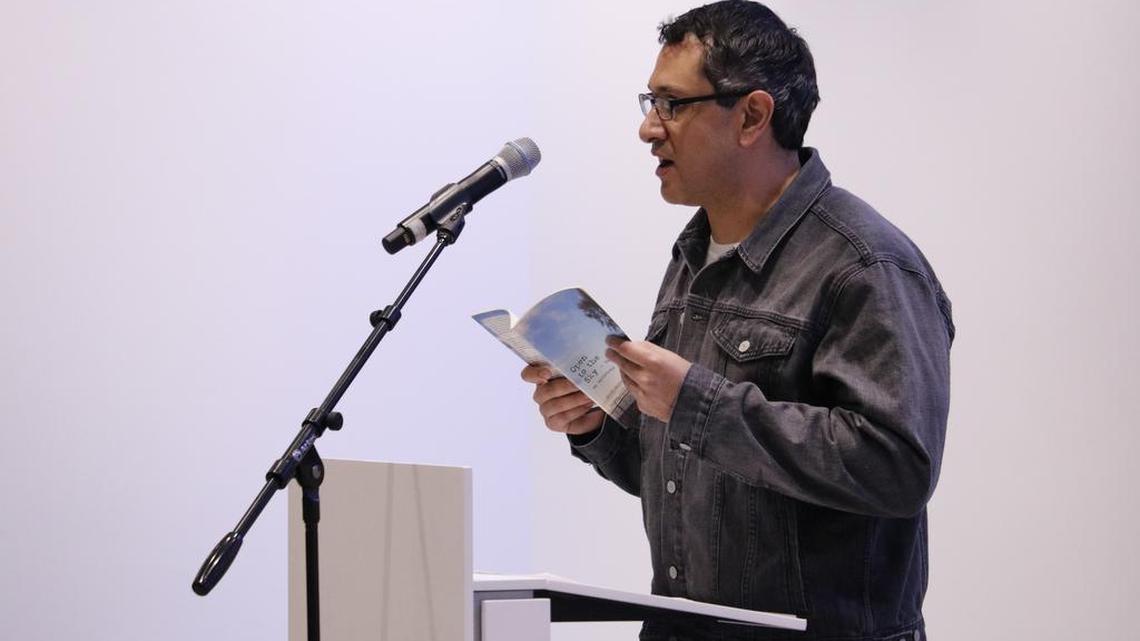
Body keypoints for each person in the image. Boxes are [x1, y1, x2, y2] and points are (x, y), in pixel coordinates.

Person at [521, 2, 954, 639]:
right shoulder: (693, 255)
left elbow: (896, 468)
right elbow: (690, 477)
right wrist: (598, 429)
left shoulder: (867, 264)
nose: (648, 128)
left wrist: (696, 403)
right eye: (650, 102)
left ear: (752, 115)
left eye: (671, 104)